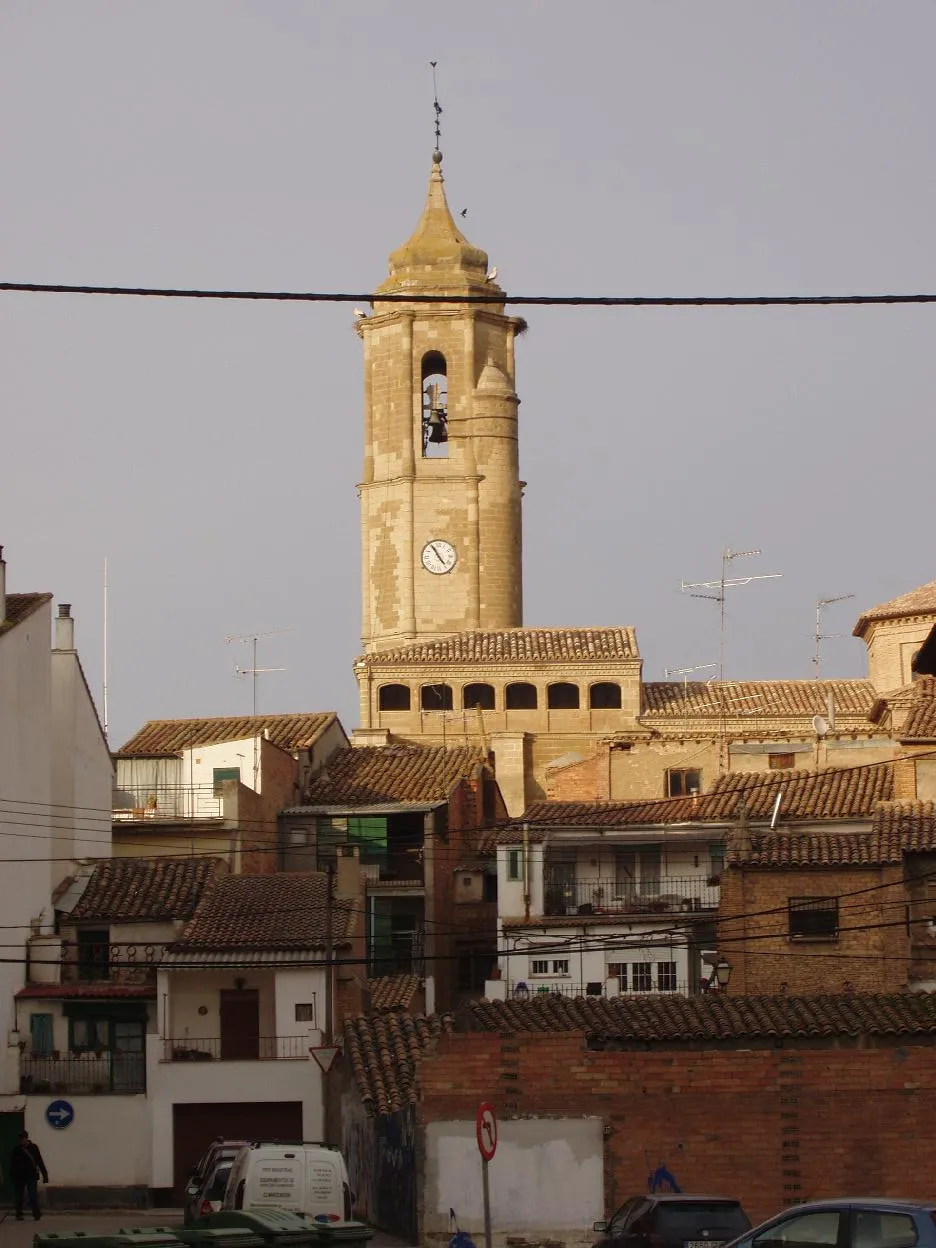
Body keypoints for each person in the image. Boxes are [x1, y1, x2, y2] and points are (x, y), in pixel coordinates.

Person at [10, 1129, 49, 1221]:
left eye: (23, 1138)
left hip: (31, 1176)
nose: (21, 1140)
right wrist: (12, 1175)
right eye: (20, 1139)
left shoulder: (33, 1148)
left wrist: (45, 1175)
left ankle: (36, 1214)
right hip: (19, 1177)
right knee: (19, 1196)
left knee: (33, 1196)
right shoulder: (16, 1149)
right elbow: (13, 1163)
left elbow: (39, 1161)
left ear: (26, 1138)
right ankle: (19, 1214)